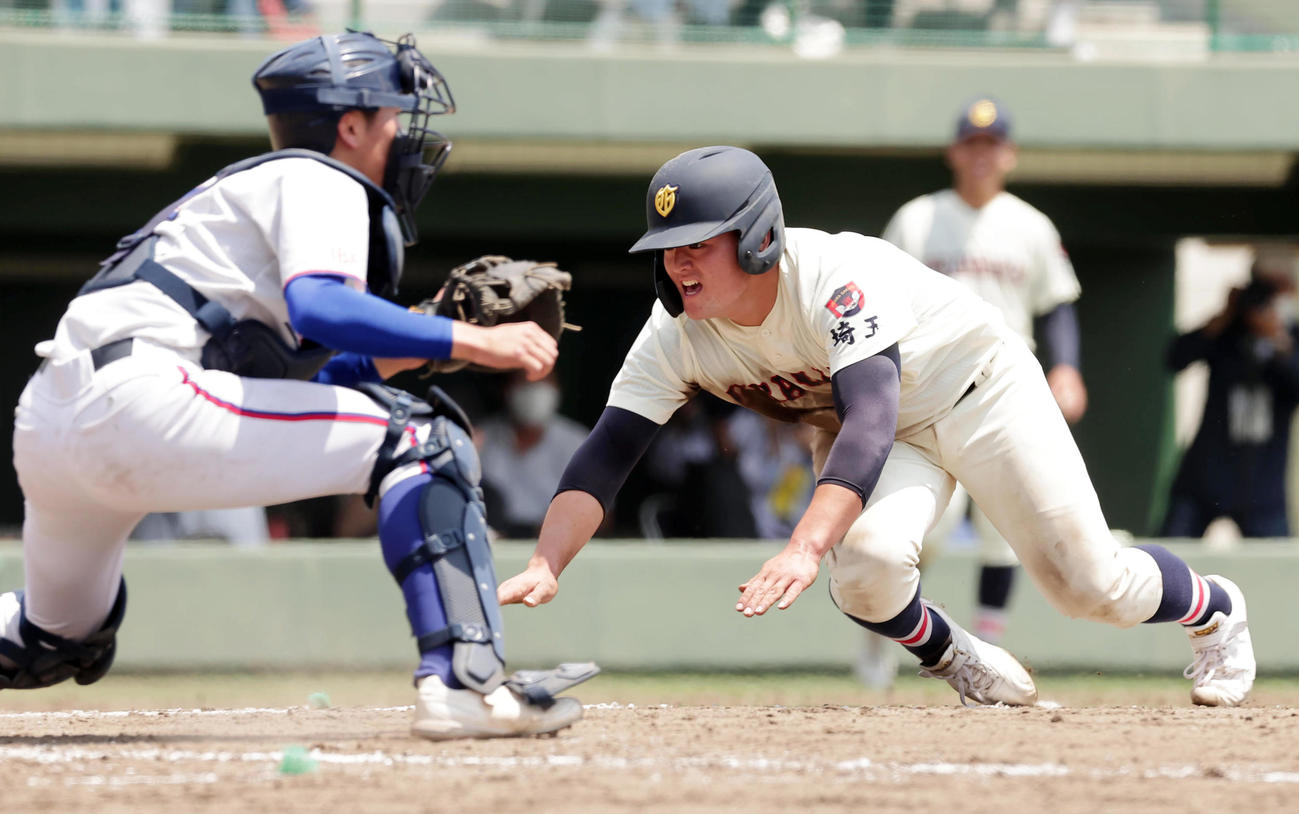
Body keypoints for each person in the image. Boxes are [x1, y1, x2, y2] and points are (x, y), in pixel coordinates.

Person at [499, 145, 1256, 707]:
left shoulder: (832, 275)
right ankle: (954, 656)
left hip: (979, 393)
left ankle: (1216, 611)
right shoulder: (674, 335)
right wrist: (547, 561)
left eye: (699, 243)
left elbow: (869, 414)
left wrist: (802, 545)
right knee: (864, 571)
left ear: (757, 236)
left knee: (1089, 588)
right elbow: (609, 451)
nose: (679, 265)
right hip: (886, 432)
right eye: (668, 249)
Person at [3, 31, 594, 739]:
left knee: (54, 637)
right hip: (141, 398)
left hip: (58, 418)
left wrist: (424, 338)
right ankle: (465, 684)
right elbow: (319, 305)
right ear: (350, 126)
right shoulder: (320, 176)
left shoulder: (239, 205)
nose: (401, 131)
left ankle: (463, 682)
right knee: (423, 440)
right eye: (390, 114)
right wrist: (470, 339)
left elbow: (302, 379)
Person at [881, 96, 1086, 648]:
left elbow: (1056, 305)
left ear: (1009, 155)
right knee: (927, 530)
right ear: (953, 152)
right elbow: (881, 297)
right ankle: (887, 630)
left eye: (991, 145)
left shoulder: (1031, 225)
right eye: (971, 143)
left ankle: (989, 648)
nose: (981, 154)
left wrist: (1067, 367)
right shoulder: (917, 218)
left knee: (1006, 529)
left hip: (1005, 389)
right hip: (930, 388)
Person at [1161, 265, 1299, 538]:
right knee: (1171, 550)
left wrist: (1276, 338)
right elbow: (1176, 358)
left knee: (1275, 559)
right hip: (1207, 470)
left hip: (1263, 479)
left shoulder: (1290, 335)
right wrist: (1223, 318)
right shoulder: (1227, 331)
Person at [478, 371, 589, 539]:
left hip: (555, 543)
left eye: (543, 381)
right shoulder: (479, 439)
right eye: (524, 381)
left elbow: (602, 514)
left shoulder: (578, 442)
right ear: (505, 389)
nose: (534, 390)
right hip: (491, 541)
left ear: (558, 389)